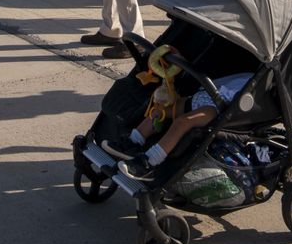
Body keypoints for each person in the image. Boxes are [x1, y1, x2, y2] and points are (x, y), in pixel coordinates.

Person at [104, 71, 255, 181]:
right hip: (204, 96)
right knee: (159, 111)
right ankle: (133, 141)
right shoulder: (249, 73)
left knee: (182, 122)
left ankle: (149, 163)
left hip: (219, 107)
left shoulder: (257, 81)